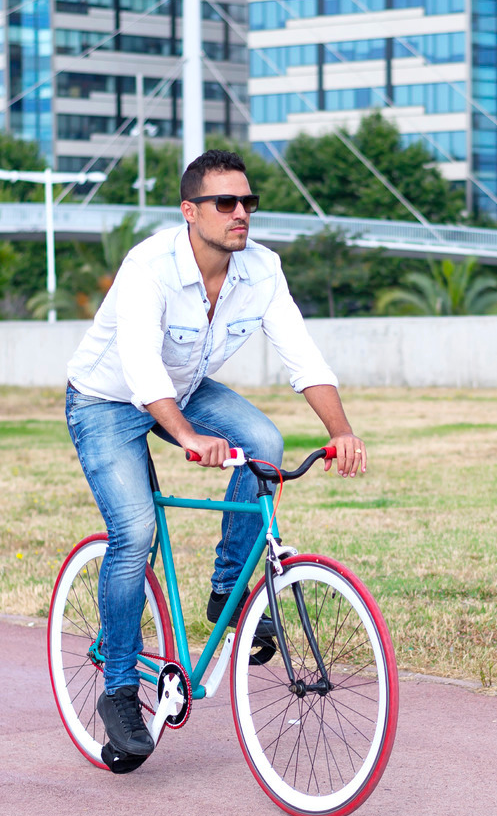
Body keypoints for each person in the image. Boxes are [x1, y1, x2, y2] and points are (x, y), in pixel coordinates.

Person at [65, 149, 367, 767]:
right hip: (105, 401)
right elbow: (141, 365)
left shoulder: (262, 269)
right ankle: (119, 690)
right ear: (189, 210)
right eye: (225, 202)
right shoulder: (148, 266)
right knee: (135, 534)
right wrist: (186, 436)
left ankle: (228, 589)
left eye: (248, 202)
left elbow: (301, 354)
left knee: (265, 445)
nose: (240, 213)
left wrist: (341, 431)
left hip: (186, 390)